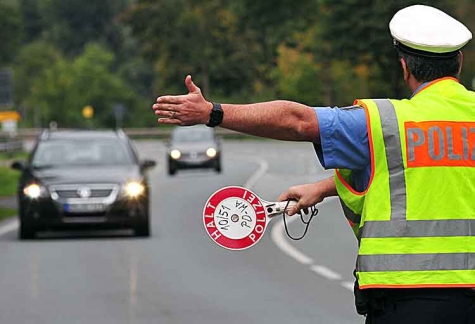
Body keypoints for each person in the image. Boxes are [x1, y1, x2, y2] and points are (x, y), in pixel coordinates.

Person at [152, 4, 475, 323]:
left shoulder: (383, 122)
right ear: (459, 61)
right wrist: (322, 188)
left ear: (404, 67)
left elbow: (297, 121)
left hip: (406, 300)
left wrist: (212, 113)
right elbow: (434, 169)